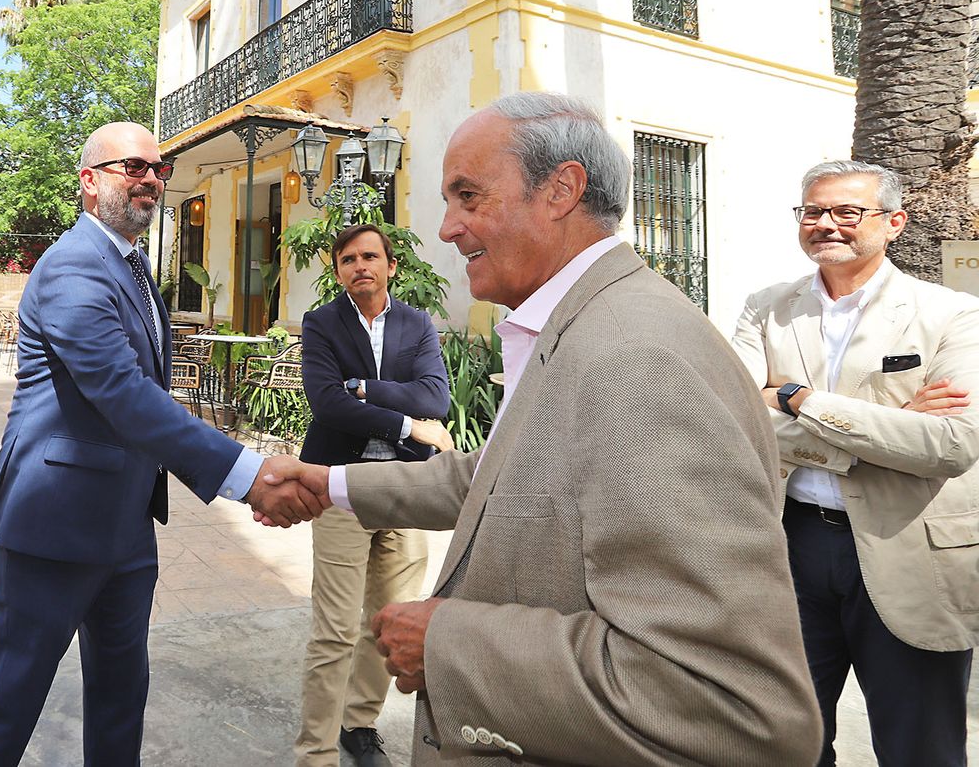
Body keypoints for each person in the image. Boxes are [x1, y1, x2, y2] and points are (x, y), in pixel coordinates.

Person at [283, 92, 821, 765]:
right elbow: (503, 476)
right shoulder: (579, 326)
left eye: (468, 196)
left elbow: (733, 707)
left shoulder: (635, 360)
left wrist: (448, 642)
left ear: (561, 190)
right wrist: (328, 483)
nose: (446, 228)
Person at [0, 121, 326, 766]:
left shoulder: (134, 265)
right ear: (89, 181)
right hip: (53, 525)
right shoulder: (72, 265)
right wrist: (247, 473)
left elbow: (144, 393)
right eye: (134, 167)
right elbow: (121, 391)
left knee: (122, 696)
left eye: (159, 169)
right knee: (10, 697)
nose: (151, 178)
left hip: (126, 527)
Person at [730, 160, 979, 766]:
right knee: (784, 743)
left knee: (921, 750)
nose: (826, 224)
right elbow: (731, 420)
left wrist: (796, 398)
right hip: (790, 546)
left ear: (894, 222)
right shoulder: (767, 308)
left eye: (847, 211)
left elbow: (950, 445)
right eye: (813, 211)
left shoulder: (951, 313)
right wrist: (888, 426)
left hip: (909, 547)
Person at [294, 223, 450, 767]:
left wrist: (364, 388)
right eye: (348, 259)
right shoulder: (322, 323)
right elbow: (327, 405)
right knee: (335, 631)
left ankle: (358, 724)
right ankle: (315, 753)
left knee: (388, 621)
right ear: (338, 272)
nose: (360, 265)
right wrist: (409, 424)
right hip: (341, 487)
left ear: (390, 266)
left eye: (370, 256)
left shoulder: (416, 323)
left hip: (405, 490)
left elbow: (437, 398)